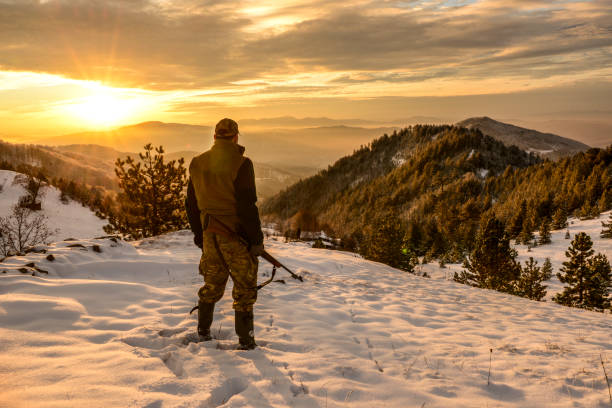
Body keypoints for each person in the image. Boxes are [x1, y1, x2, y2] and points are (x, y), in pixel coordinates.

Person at [185, 118, 264, 350]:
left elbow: (191, 204)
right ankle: (246, 342)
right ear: (236, 137)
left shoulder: (197, 163)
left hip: (209, 234)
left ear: (215, 137)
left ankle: (203, 332)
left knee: (212, 283)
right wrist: (256, 241)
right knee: (244, 288)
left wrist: (200, 235)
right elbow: (247, 206)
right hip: (235, 236)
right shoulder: (242, 163)